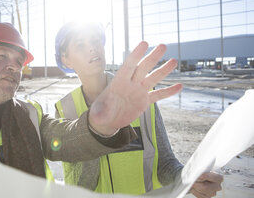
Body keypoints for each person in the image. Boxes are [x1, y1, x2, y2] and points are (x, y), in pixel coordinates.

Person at [0, 22, 181, 198]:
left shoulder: (31, 116)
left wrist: (99, 126)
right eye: (1, 56)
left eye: (19, 61)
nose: (14, 66)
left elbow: (67, 139)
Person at [54, 21, 223, 197]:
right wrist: (96, 133)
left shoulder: (140, 95)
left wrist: (187, 180)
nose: (92, 48)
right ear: (66, 60)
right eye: (80, 44)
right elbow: (77, 185)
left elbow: (165, 163)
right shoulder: (65, 109)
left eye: (95, 40)